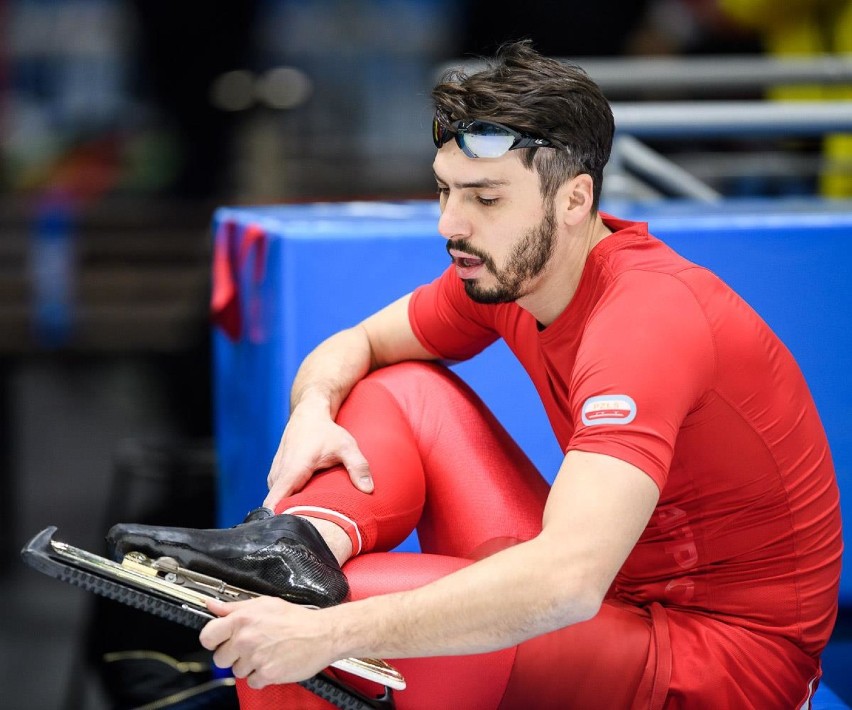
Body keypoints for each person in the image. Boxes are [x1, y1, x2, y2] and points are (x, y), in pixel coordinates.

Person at [108, 40, 843, 709]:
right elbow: (356, 343)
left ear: (575, 199)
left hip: (723, 667)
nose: (449, 225)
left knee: (328, 623)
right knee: (403, 387)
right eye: (445, 190)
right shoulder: (509, 270)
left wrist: (331, 638)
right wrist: (313, 408)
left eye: (485, 198)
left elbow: (566, 582)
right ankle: (295, 544)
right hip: (620, 600)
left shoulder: (645, 320)